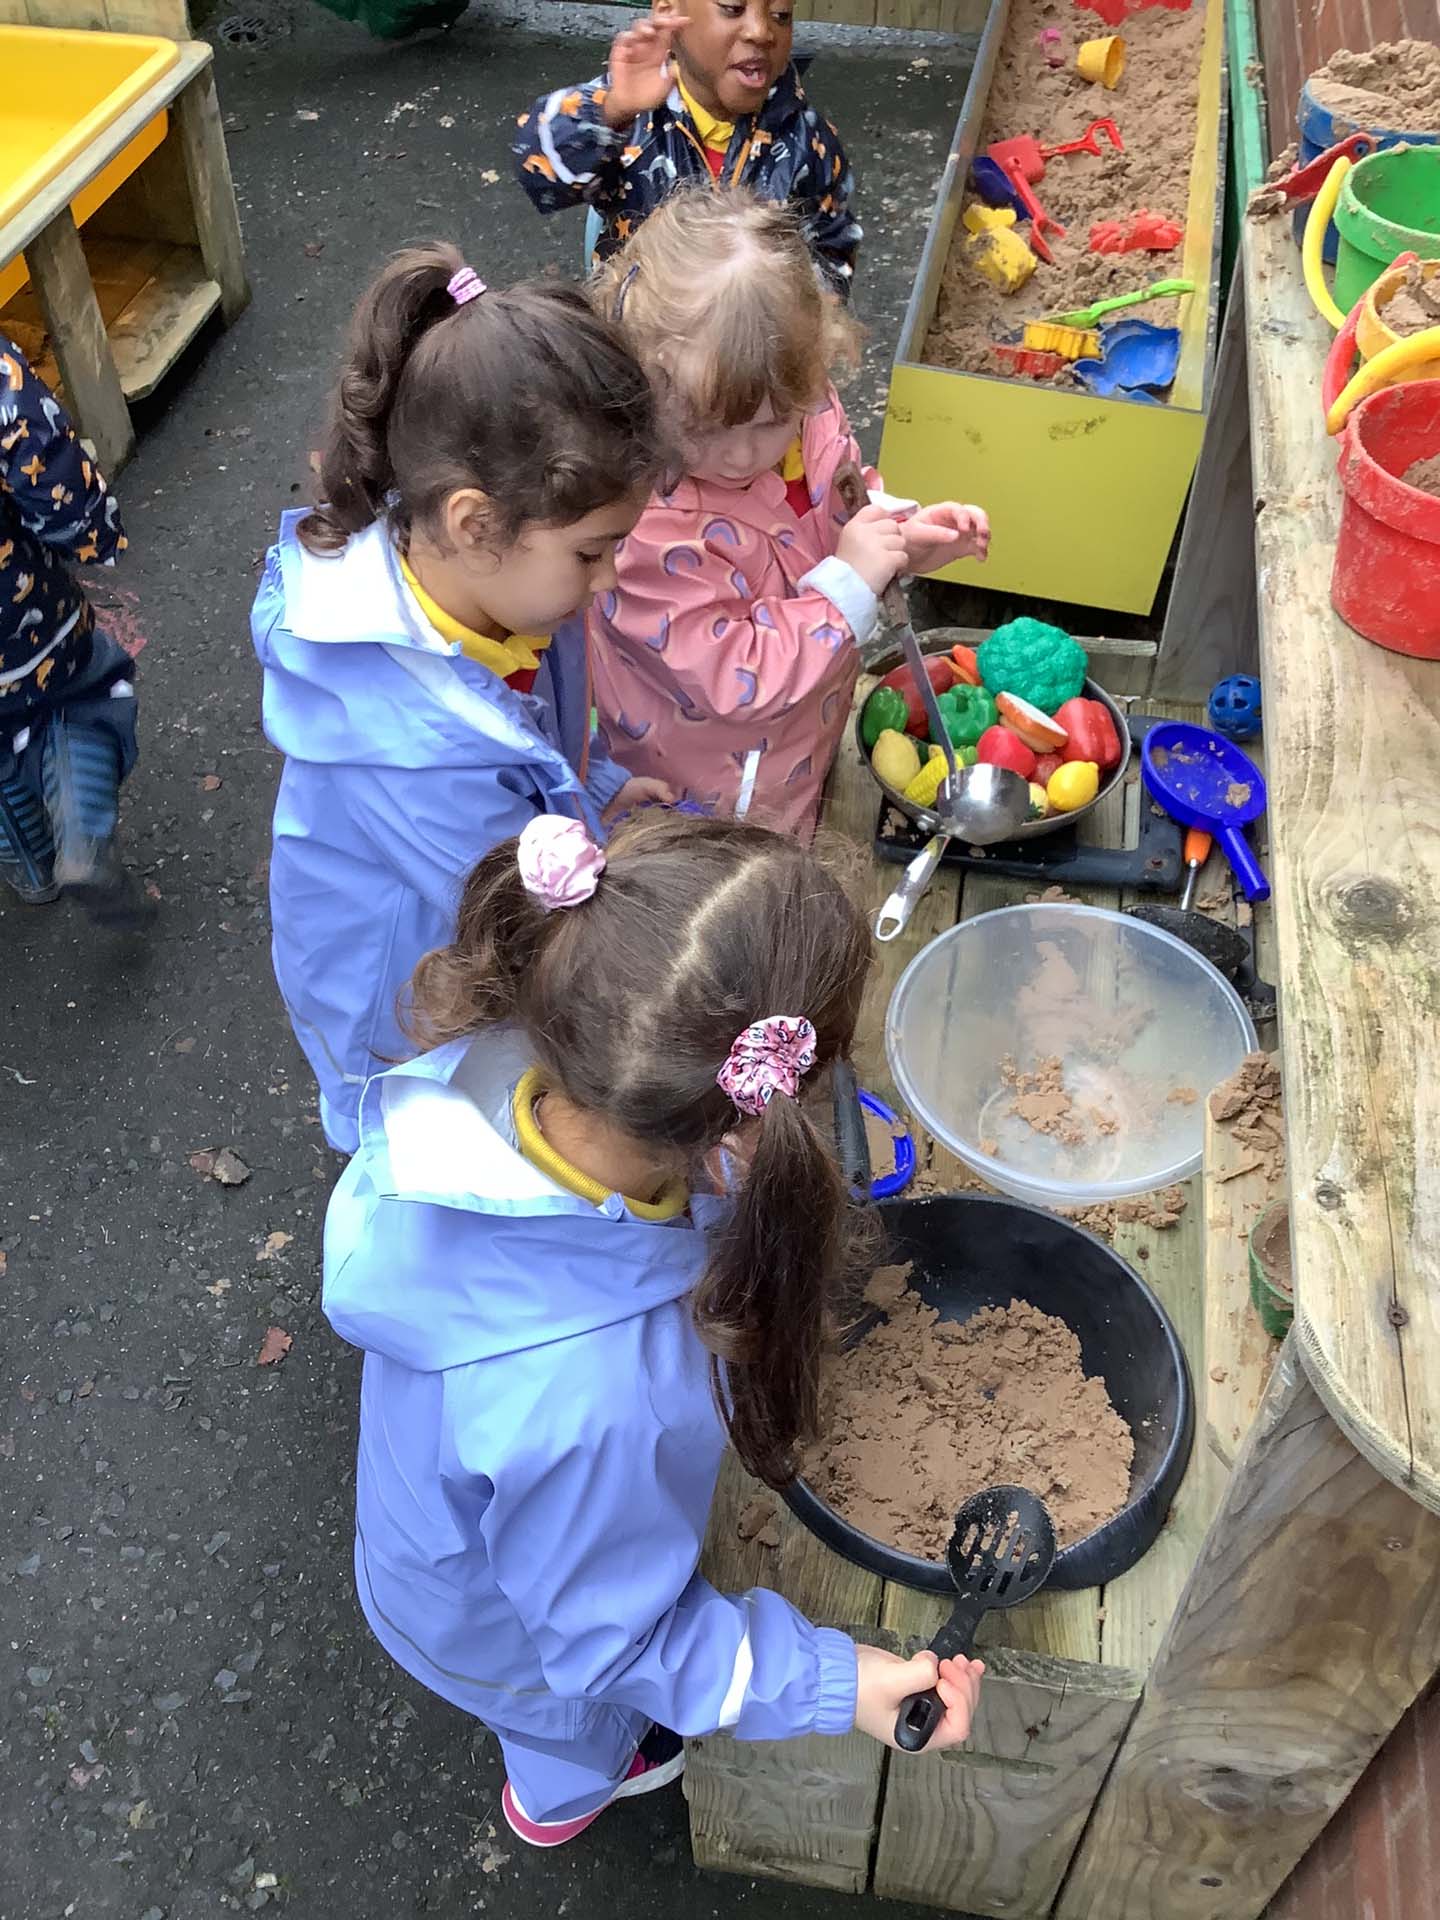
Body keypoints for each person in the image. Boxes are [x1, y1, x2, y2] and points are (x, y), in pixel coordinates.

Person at [323, 809, 985, 1847]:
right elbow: (616, 1648)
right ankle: (558, 1803)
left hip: (436, 1544)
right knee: (573, 1732)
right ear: (752, 1121)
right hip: (511, 1641)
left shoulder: (487, 1089)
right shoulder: (600, 1407)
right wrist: (841, 1680)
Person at [251, 246, 670, 1156]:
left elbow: (536, 750)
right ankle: (387, 1191)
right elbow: (518, 907)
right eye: (593, 551)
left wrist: (593, 799)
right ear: (476, 525)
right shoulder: (408, 741)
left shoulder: (504, 597)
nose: (610, 579)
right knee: (410, 1125)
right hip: (395, 991)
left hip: (451, 929)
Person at [588, 190, 990, 838]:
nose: (744, 453)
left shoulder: (805, 410)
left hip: (798, 734)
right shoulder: (648, 527)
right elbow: (732, 677)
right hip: (714, 787)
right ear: (646, 386)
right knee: (739, 885)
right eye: (704, 428)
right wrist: (848, 588)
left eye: (772, 423)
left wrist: (899, 535)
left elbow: (840, 499)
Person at [512, 0, 860, 295]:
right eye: (732, 8)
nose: (761, 31)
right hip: (637, 340)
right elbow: (539, 177)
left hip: (755, 342)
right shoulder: (632, 110)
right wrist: (612, 111)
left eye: (781, 15)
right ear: (668, 11)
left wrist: (803, 322)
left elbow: (833, 245)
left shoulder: (808, 138)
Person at [0, 333, 150, 928]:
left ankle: (29, 864)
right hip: (23, 621)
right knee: (77, 695)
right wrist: (94, 533)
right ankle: (82, 828)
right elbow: (42, 460)